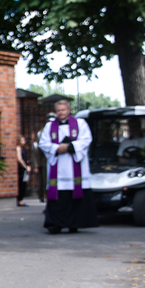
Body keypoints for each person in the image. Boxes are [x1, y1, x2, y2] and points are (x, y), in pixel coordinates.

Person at [39, 98, 98, 233]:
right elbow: (43, 143)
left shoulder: (80, 124)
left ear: (69, 110)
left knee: (75, 197)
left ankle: (74, 223)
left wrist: (70, 146)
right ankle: (55, 224)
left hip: (76, 169)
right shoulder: (49, 126)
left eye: (63, 110)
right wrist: (56, 148)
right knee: (58, 198)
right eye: (58, 110)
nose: (61, 113)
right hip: (58, 169)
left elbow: (86, 140)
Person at [16, 135, 30, 206]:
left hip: (23, 168)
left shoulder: (22, 148)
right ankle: (19, 200)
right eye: (22, 140)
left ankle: (20, 199)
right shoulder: (18, 148)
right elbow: (19, 159)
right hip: (21, 169)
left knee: (23, 183)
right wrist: (25, 166)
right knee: (21, 184)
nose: (24, 142)